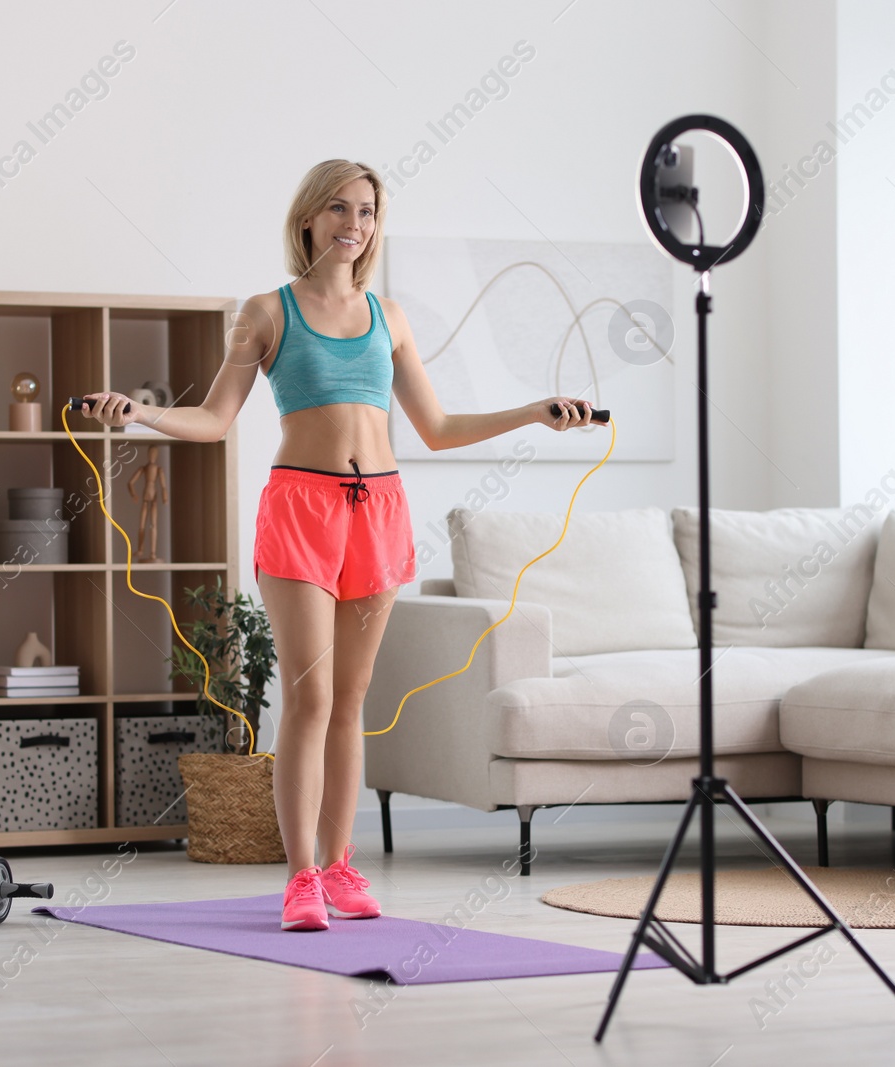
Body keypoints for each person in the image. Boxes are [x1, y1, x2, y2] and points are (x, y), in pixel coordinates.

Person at [80, 158, 595, 931]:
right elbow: (216, 418)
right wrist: (138, 415)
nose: (357, 225)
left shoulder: (391, 317)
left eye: (369, 212)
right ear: (309, 220)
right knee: (311, 695)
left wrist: (533, 412)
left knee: (351, 700)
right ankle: (299, 879)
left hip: (378, 510)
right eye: (342, 210)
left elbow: (438, 428)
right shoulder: (267, 312)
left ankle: (340, 863)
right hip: (301, 510)